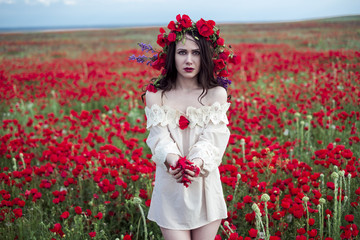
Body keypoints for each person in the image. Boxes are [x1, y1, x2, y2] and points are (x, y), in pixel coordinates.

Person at [132, 14, 238, 240]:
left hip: (205, 188)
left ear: (206, 56)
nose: (189, 60)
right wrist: (174, 162)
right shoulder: (156, 95)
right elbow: (159, 138)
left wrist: (195, 165)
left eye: (196, 52)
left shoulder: (216, 94)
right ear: (172, 56)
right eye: (182, 52)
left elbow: (213, 139)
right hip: (171, 186)